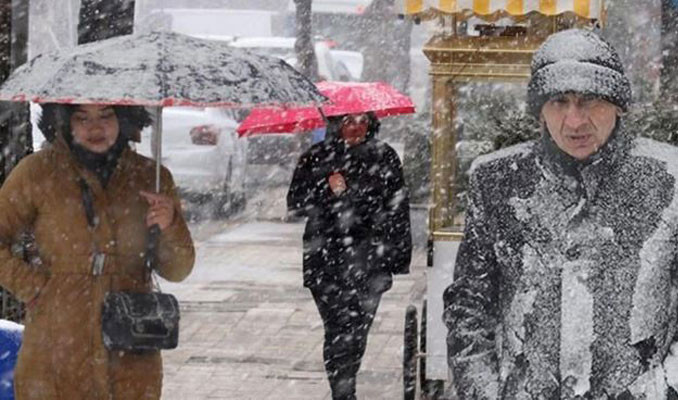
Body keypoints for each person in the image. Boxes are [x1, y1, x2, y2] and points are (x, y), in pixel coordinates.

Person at [443, 29, 678, 399]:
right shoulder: (498, 181)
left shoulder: (669, 177)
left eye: (590, 100)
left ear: (618, 103)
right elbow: (469, 309)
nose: (574, 121)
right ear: (539, 109)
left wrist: (662, 390)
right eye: (559, 101)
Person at [0, 103, 195, 399]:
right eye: (82, 117)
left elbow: (178, 270)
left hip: (130, 351)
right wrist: (34, 287)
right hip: (56, 346)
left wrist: (170, 226)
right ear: (64, 122)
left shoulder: (150, 177)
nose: (95, 128)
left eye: (106, 115)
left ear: (124, 118)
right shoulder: (37, 173)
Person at [287, 112, 412, 400]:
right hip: (326, 261)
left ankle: (346, 384)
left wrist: (398, 258)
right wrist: (327, 191)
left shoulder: (385, 157)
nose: (356, 127)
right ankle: (342, 393)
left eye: (362, 121)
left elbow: (397, 208)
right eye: (348, 121)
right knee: (337, 330)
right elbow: (295, 204)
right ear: (336, 124)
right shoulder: (316, 157)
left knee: (357, 332)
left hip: (370, 260)